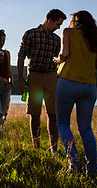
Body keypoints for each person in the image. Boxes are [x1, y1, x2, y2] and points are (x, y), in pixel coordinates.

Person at [53, 10, 97, 175]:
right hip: (89, 87)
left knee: (62, 124)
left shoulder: (68, 32)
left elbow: (65, 53)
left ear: (76, 21)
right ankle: (92, 169)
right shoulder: (94, 39)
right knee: (86, 128)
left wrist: (58, 59)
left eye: (72, 20)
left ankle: (74, 162)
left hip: (68, 82)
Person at [17, 9, 66, 155]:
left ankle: (54, 149)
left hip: (52, 77)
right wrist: (20, 79)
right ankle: (36, 148)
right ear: (49, 20)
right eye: (58, 24)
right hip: (34, 76)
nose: (59, 27)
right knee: (35, 113)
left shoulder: (57, 40)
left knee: (53, 113)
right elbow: (21, 57)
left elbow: (59, 61)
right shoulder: (30, 34)